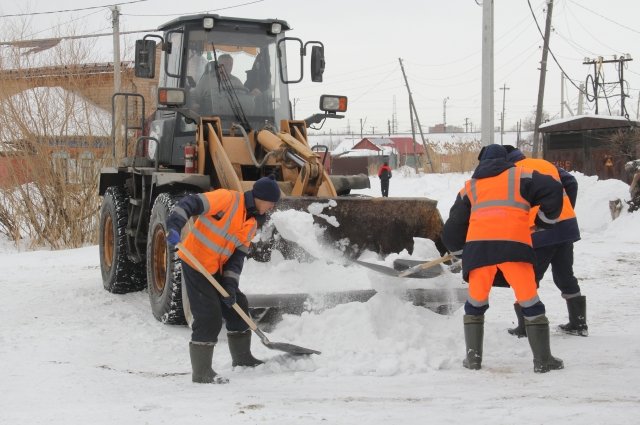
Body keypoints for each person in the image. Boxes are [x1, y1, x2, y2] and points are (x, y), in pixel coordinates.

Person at [442, 144, 565, 373]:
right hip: (514, 248)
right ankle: (543, 360)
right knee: (529, 301)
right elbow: (554, 188)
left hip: (479, 252)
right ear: (506, 159)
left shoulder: (470, 188)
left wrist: (460, 252)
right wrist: (545, 220)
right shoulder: (522, 176)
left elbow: (452, 227)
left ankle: (473, 360)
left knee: (475, 304)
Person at [165, 175, 281, 384]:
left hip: (217, 268)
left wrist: (230, 285)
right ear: (260, 198)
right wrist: (174, 225)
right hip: (195, 263)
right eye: (271, 203)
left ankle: (242, 358)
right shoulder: (227, 199)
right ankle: (201, 372)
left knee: (239, 304)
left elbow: (237, 258)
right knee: (209, 316)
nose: (271, 208)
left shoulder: (252, 223)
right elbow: (190, 203)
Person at [504, 145, 587, 338]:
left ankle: (525, 326)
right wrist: (566, 209)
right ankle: (578, 324)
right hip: (566, 227)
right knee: (565, 275)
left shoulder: (514, 173)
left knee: (529, 278)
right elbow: (571, 182)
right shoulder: (543, 163)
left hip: (539, 230)